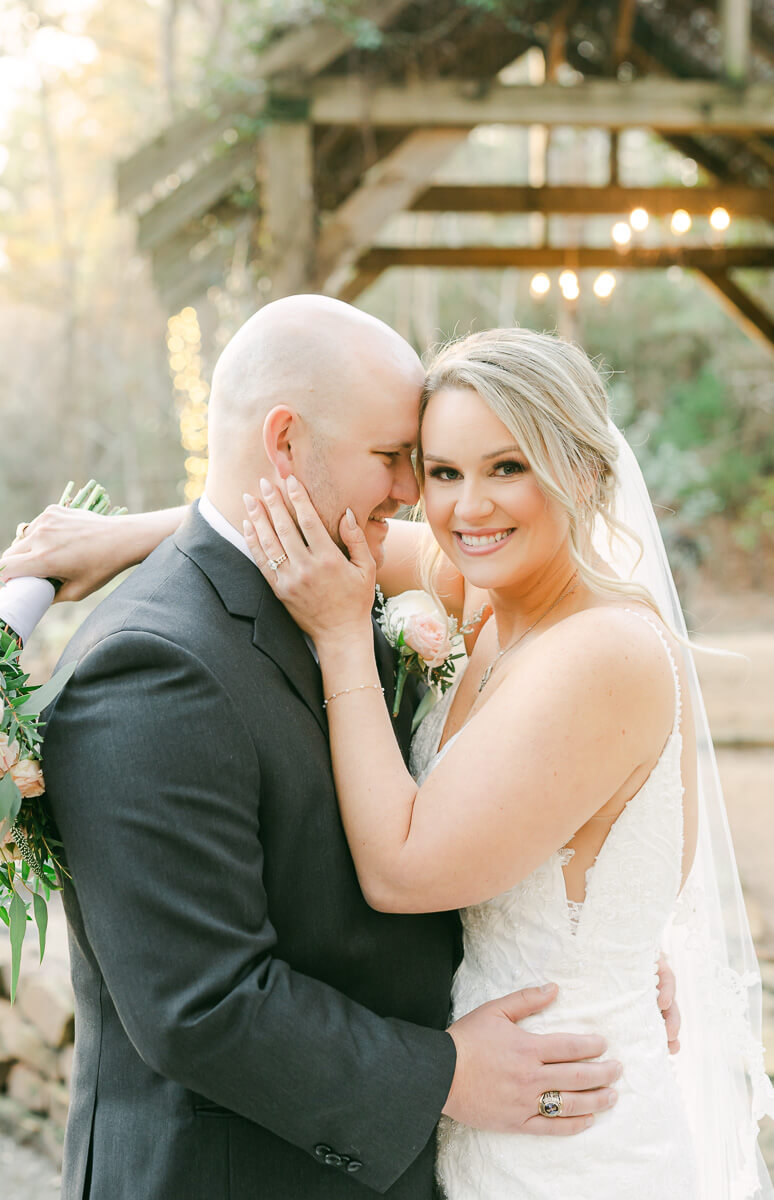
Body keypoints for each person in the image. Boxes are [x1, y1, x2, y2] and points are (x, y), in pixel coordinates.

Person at [7, 300, 637, 1200]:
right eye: (397, 459)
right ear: (286, 442)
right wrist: (445, 1074)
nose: (420, 496)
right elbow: (203, 1006)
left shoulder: (335, 582)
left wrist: (598, 942)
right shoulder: (152, 668)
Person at [220, 326, 773, 1198]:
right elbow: (295, 535)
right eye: (443, 472)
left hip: (577, 1140)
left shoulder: (603, 654)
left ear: (585, 473)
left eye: (508, 468)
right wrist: (113, 541)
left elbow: (401, 871)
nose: (468, 508)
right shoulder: (487, 595)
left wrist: (340, 638)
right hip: (491, 1118)